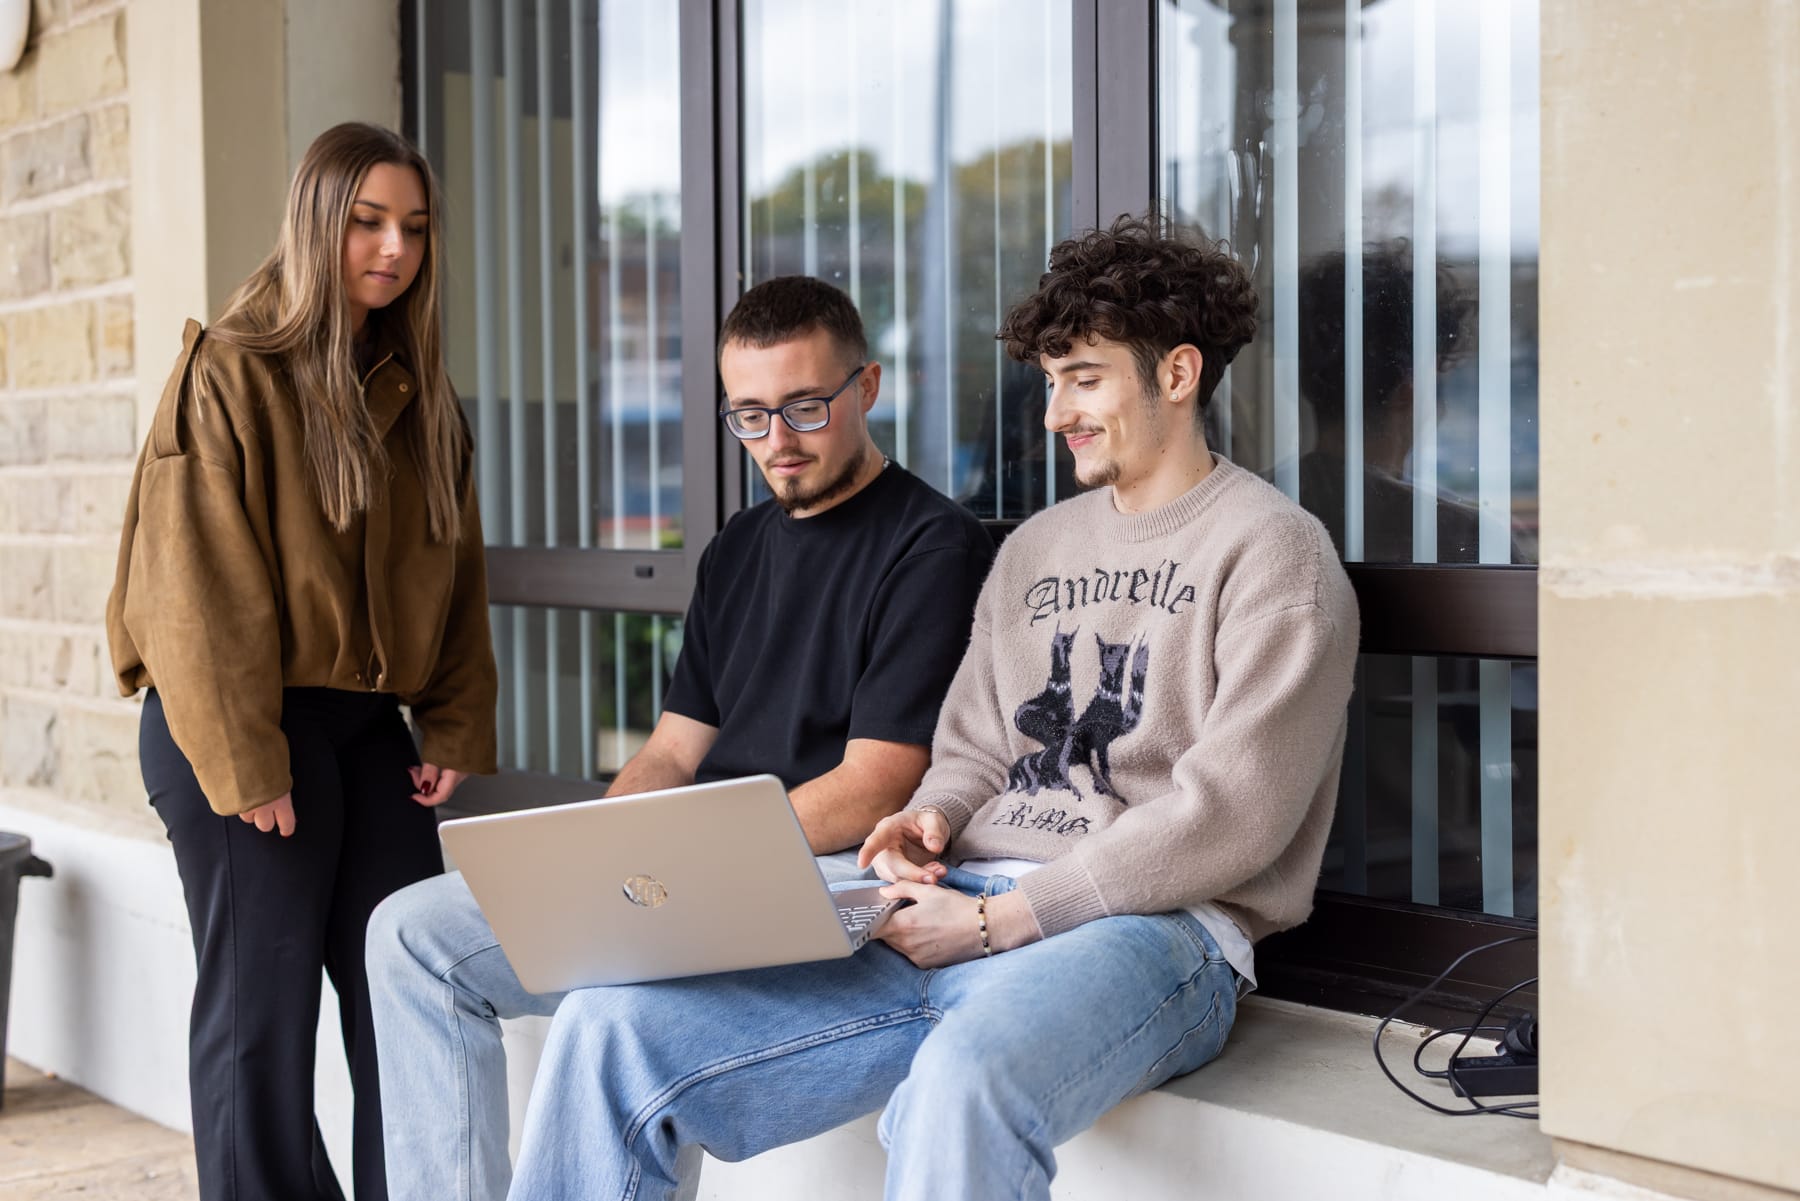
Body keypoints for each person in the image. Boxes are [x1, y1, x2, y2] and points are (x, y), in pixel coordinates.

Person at [501, 214, 1362, 1201]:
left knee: (960, 1081)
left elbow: (1232, 816)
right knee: (611, 1025)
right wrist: (931, 816)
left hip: (1147, 931)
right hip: (948, 900)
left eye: (1084, 379)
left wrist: (1009, 920)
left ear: (1177, 374)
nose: (1054, 415)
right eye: (1050, 383)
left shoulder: (1276, 556)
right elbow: (972, 752)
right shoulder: (1036, 550)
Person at [366, 275, 996, 1201]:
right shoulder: (736, 549)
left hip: (822, 871)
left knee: (618, 1007)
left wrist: (696, 856)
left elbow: (875, 786)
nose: (777, 442)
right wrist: (599, 850)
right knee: (408, 932)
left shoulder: (932, 546)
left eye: (805, 407)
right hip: (696, 863)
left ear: (866, 389)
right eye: (749, 416)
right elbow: (672, 750)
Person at [104, 123, 497, 1201]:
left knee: (407, 988)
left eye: (413, 227)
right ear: (317, 220)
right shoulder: (229, 370)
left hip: (364, 727)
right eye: (367, 220)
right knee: (260, 1020)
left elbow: (454, 572)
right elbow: (190, 585)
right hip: (231, 722)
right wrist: (246, 761)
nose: (393, 247)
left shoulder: (421, 398)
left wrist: (454, 725)